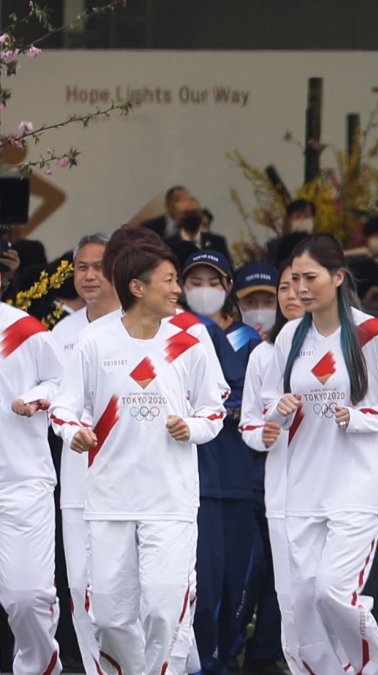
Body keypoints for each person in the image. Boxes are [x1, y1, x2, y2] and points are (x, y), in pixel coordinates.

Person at [50, 236, 227, 675]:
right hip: (109, 499)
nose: (177, 290)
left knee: (164, 611)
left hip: (169, 500)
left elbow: (214, 406)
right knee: (110, 616)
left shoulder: (189, 342)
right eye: (168, 280)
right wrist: (74, 431)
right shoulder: (95, 340)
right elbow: (64, 407)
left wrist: (194, 427)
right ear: (137, 287)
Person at [267, 234, 378, 674]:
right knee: (301, 598)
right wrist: (274, 415)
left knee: (333, 590)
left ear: (337, 277)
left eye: (310, 277)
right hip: (303, 486)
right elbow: (270, 405)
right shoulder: (289, 339)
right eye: (295, 278)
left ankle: (370, 668)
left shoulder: (371, 333)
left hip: (357, 484)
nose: (300, 287)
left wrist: (361, 417)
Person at [180, 250, 268, 674]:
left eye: (212, 281)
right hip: (191, 478)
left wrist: (228, 408)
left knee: (237, 577)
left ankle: (226, 655)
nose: (203, 290)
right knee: (203, 579)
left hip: (238, 474)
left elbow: (249, 402)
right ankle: (202, 660)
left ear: (227, 287)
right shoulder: (175, 333)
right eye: (194, 280)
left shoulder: (250, 343)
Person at [48, 233, 123, 675]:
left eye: (99, 266)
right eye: (82, 267)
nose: (90, 275)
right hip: (77, 478)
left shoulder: (139, 326)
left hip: (128, 482)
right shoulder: (62, 334)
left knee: (122, 590)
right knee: (78, 585)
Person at [239, 259, 306, 674]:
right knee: (283, 579)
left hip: (331, 485)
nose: (291, 294)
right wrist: (261, 433)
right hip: (280, 483)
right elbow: (249, 418)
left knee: (321, 586)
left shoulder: (343, 347)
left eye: (301, 284)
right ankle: (273, 655)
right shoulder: (264, 354)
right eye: (284, 287)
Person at [0, 279, 63, 675]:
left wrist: (38, 397)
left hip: (20, 483)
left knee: (27, 598)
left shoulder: (25, 330)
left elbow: (61, 382)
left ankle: (39, 669)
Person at [166, 196, 231, 262]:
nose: (190, 216)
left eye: (194, 212)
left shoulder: (217, 242)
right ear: (177, 217)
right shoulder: (169, 246)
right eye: (186, 213)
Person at [236, 262, 282, 340]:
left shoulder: (293, 339)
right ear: (238, 303)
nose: (259, 313)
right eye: (250, 302)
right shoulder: (226, 342)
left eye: (269, 302)